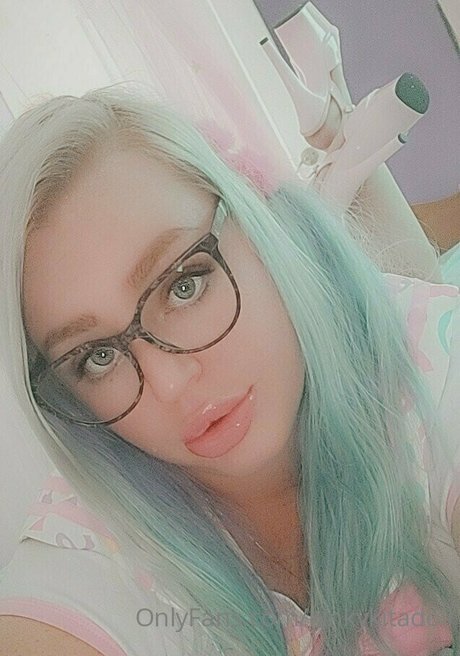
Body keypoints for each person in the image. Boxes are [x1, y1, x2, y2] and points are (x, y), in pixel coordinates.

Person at [0, 84, 460, 656]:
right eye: (99, 356)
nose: (169, 382)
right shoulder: (91, 544)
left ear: (256, 218)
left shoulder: (430, 363)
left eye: (183, 285)